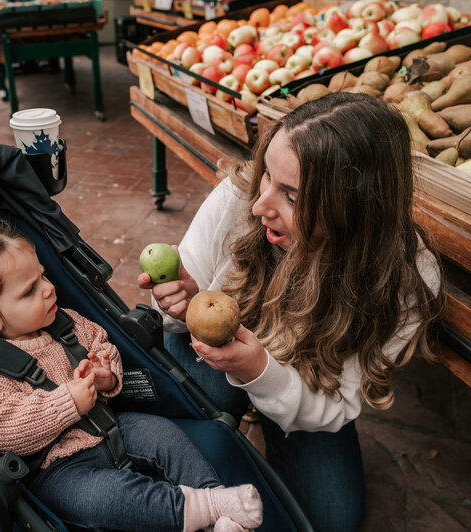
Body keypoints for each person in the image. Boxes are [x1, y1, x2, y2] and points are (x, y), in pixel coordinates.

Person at [138, 93, 444, 532]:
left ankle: (263, 413)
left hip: (304, 386)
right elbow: (172, 316)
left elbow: (335, 404)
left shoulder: (405, 280)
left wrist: (260, 370)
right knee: (185, 439)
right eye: (267, 177)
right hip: (212, 356)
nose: (261, 205)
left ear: (352, 210)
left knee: (331, 520)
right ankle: (226, 419)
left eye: (292, 196)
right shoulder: (239, 200)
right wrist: (179, 302)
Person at [0, 218, 264, 532]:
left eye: (44, 276)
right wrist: (67, 402)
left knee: (166, 436)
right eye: (29, 291)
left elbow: (103, 345)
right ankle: (205, 507)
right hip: (58, 470)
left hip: (111, 425)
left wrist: (105, 373)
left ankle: (217, 504)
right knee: (109, 499)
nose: (49, 289)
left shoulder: (66, 325)